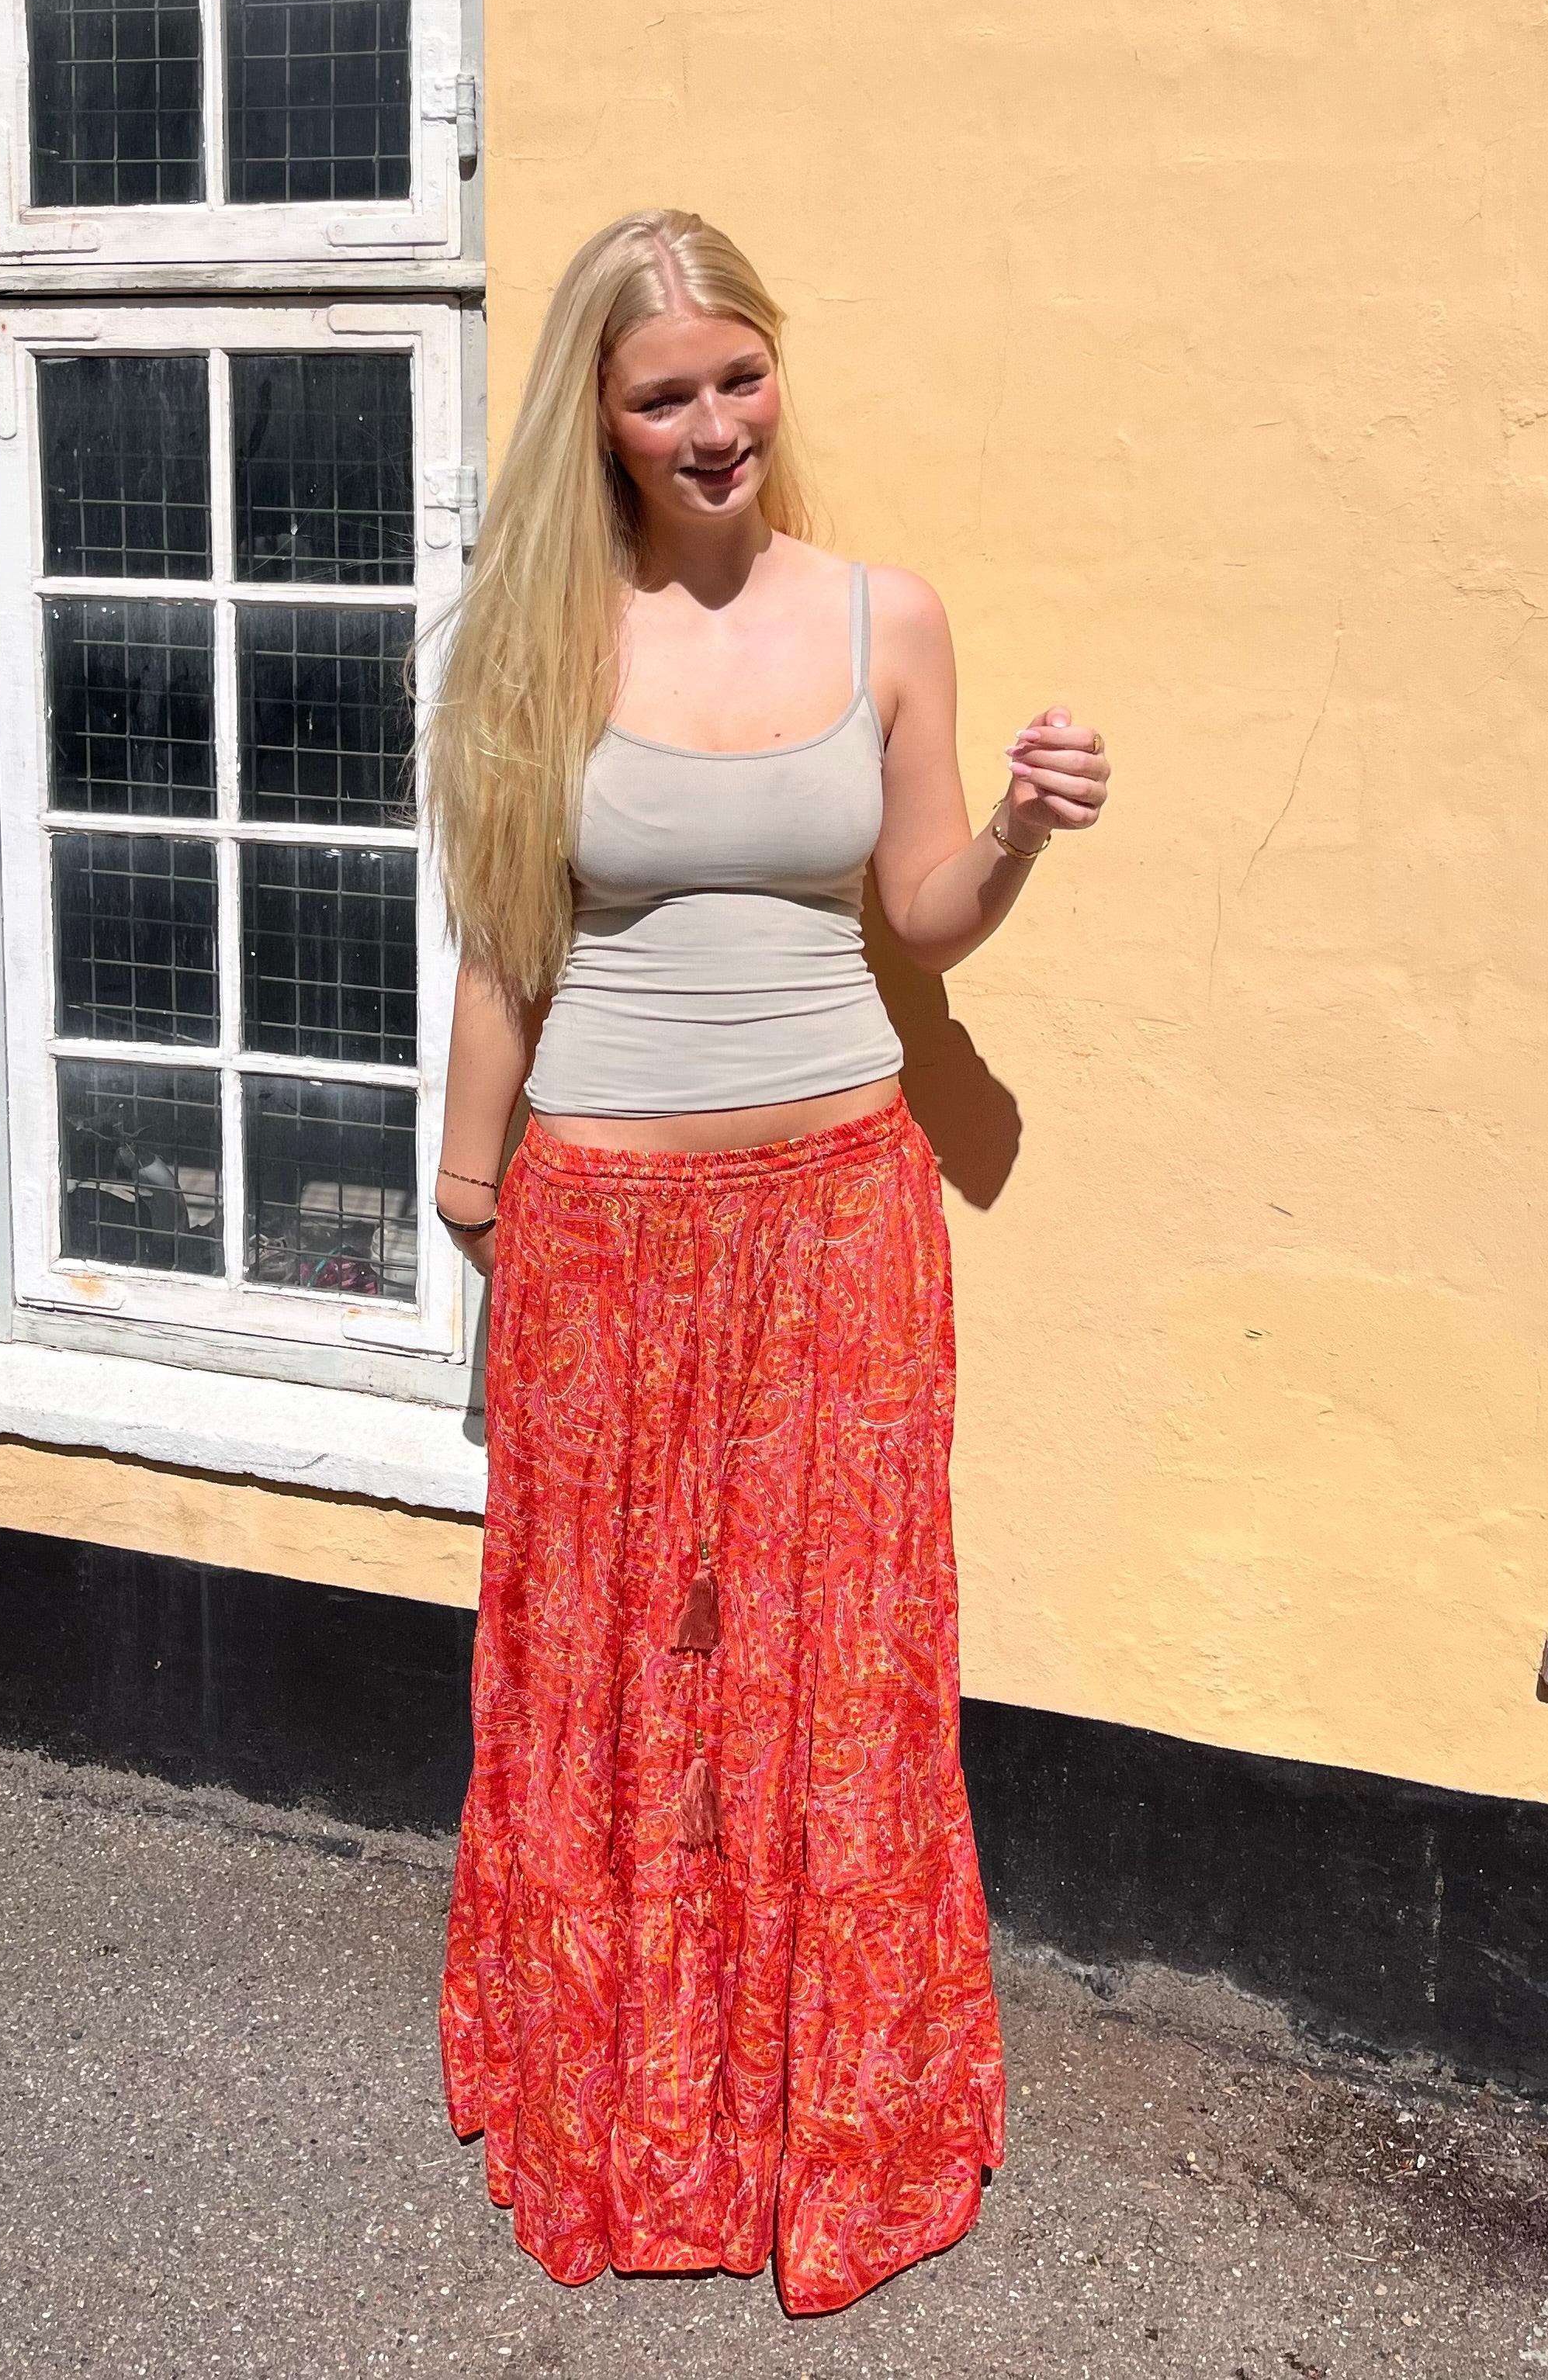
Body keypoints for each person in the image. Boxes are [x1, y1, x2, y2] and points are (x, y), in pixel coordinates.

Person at [424, 209, 1110, 2316]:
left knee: (837, 1664)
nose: (716, 425)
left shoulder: (885, 619)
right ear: (602, 418)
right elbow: (506, 947)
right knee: (620, 1665)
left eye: (740, 375)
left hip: (840, 1219)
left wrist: (1019, 829)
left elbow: (922, 911)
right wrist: (468, 1185)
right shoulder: (536, 640)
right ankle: (633, 2095)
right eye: (667, 396)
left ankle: (819, 2106)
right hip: (607, 1230)